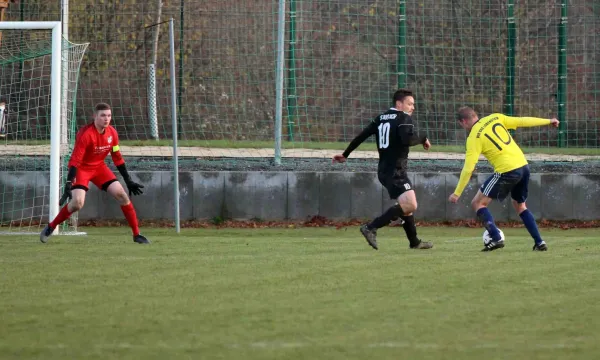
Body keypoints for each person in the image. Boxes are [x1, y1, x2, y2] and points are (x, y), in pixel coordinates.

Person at [332, 89, 433, 250]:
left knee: (406, 206)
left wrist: (345, 154)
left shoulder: (381, 118)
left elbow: (362, 135)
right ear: (399, 104)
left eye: (413, 104)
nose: (412, 107)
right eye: (409, 104)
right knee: (411, 205)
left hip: (384, 171)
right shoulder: (404, 118)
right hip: (396, 171)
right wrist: (423, 138)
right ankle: (371, 227)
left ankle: (414, 242)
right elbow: (407, 139)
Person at [448, 106, 559, 252]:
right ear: (475, 115)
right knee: (520, 206)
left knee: (478, 203)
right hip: (523, 166)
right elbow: (522, 121)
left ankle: (495, 237)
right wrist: (548, 121)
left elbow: (468, 168)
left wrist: (457, 192)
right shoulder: (495, 117)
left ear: (463, 122)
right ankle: (539, 242)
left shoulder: (474, 137)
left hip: (507, 170)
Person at [40, 102, 150, 244]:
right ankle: (51, 226)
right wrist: (69, 182)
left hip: (99, 168)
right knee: (77, 203)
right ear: (95, 116)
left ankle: (137, 235)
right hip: (82, 169)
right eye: (103, 115)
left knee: (122, 196)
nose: (106, 119)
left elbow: (117, 156)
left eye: (109, 115)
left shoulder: (112, 133)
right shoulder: (86, 134)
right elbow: (75, 160)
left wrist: (128, 180)